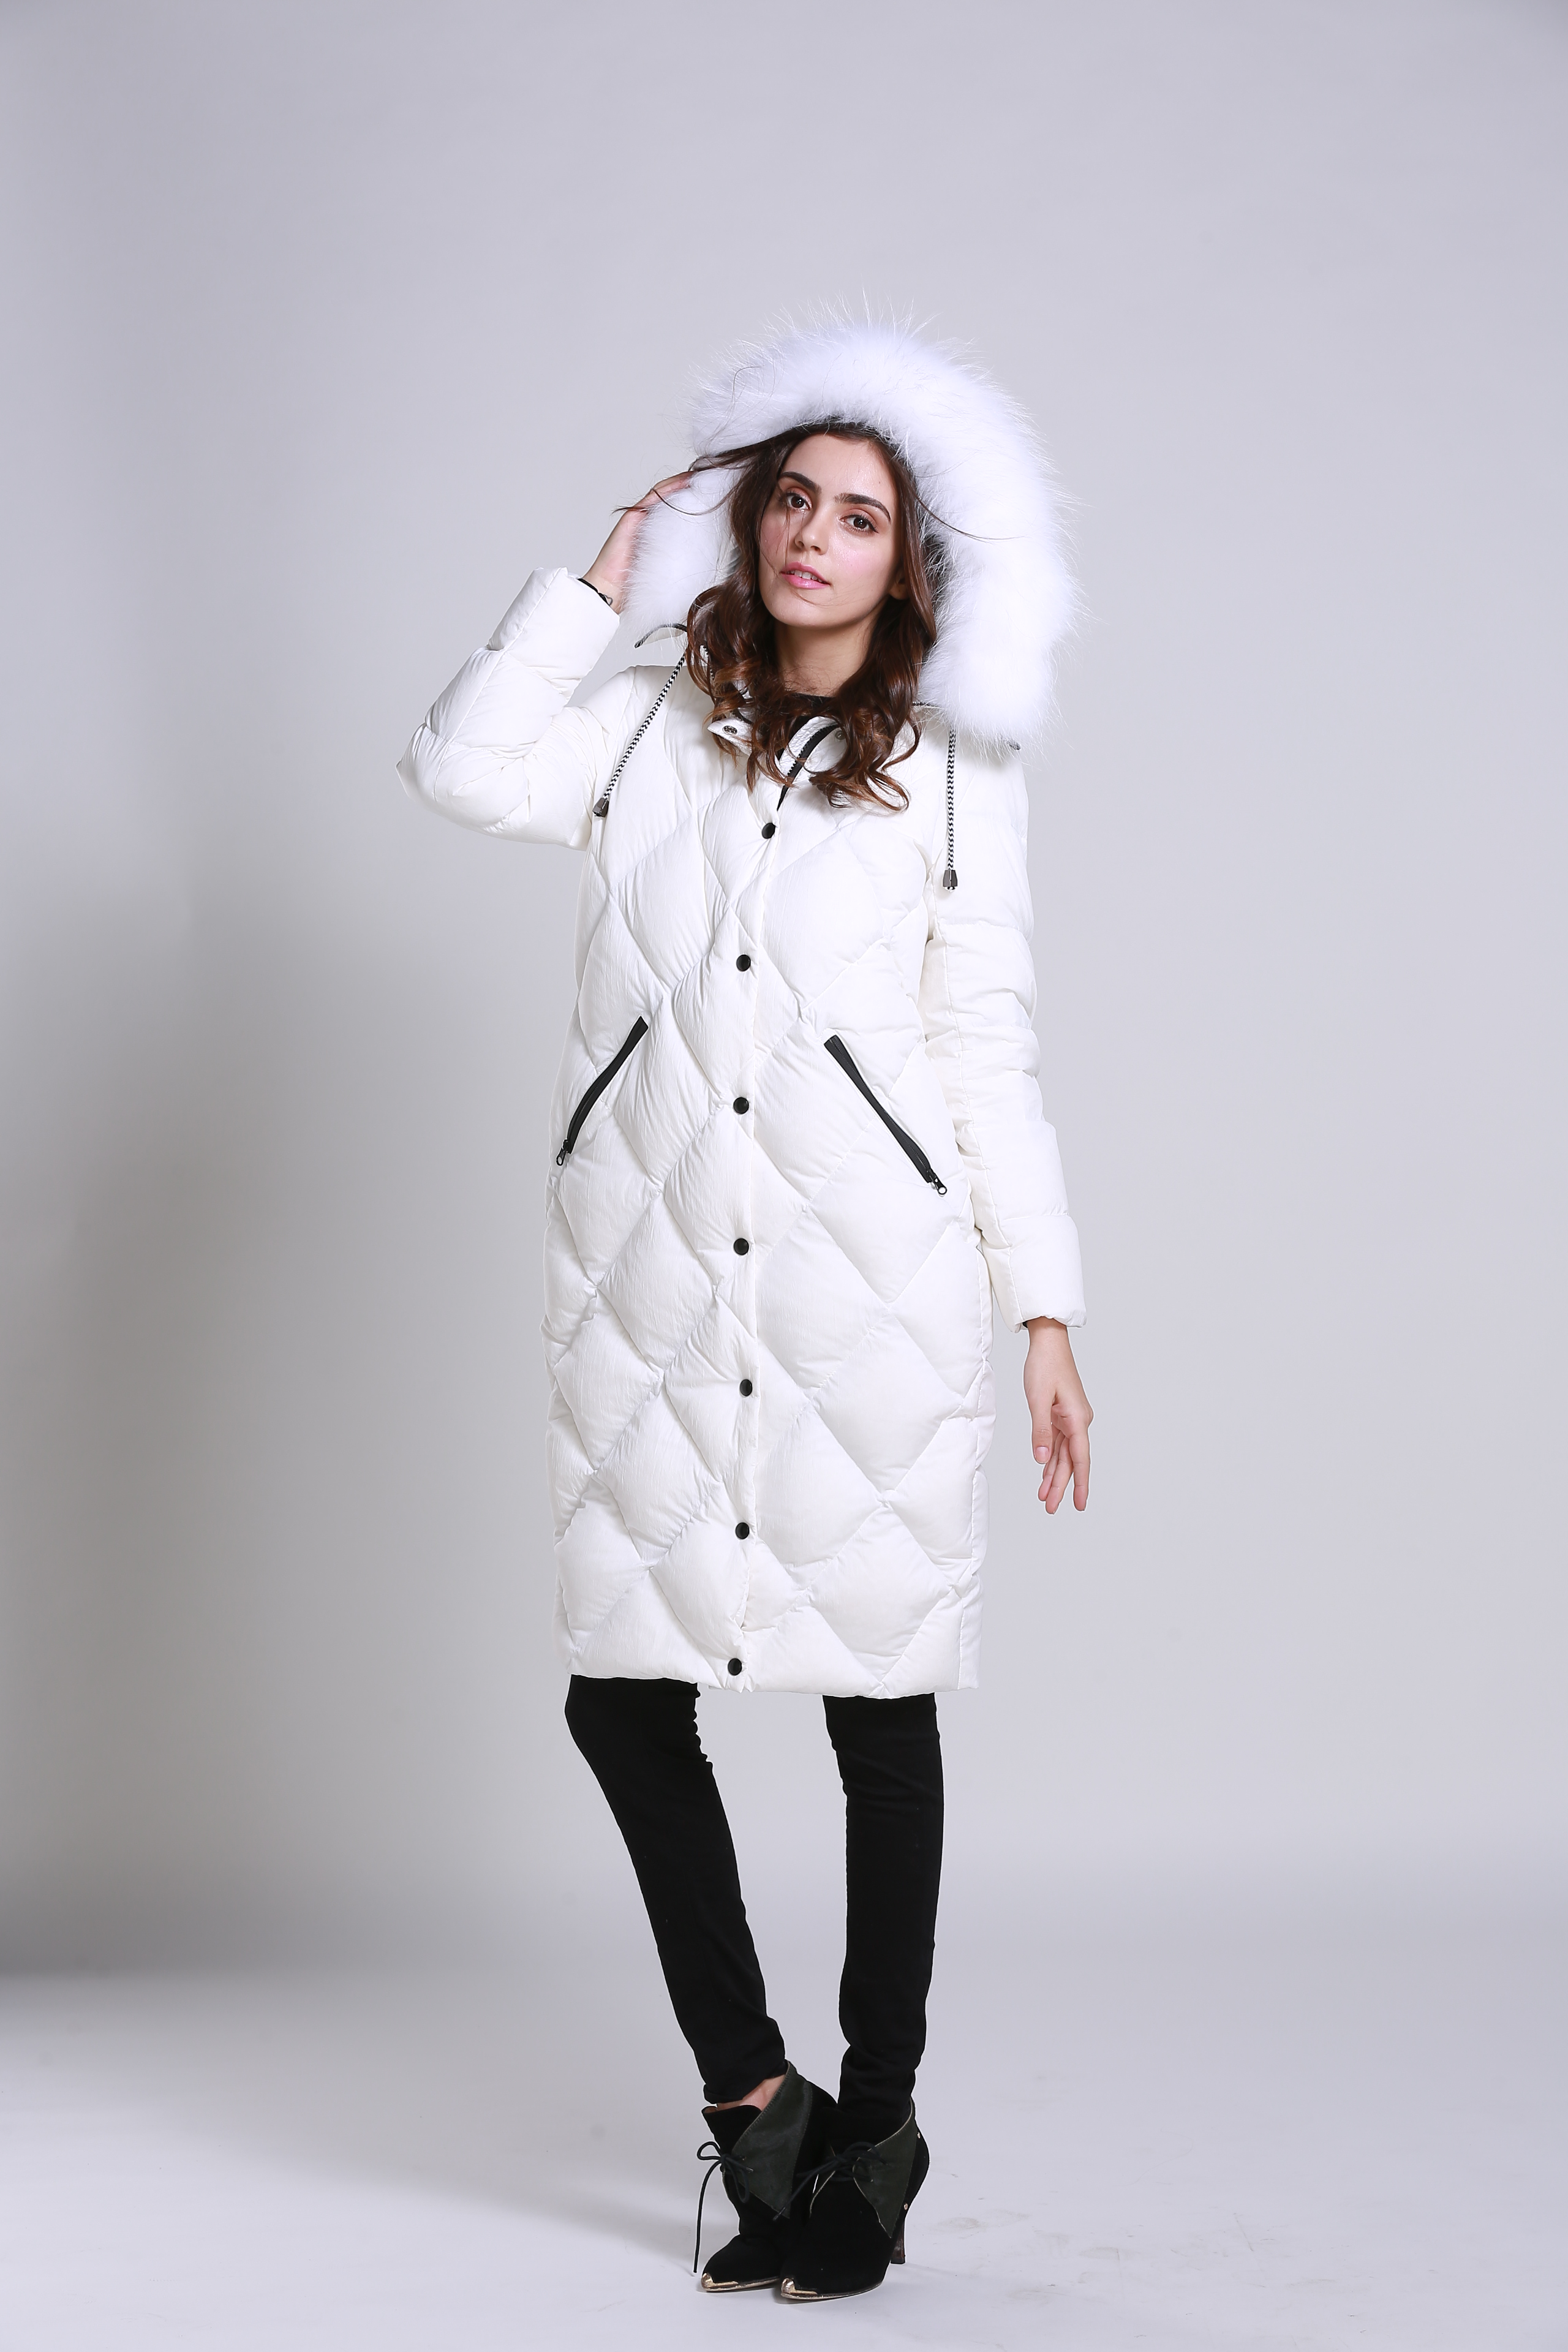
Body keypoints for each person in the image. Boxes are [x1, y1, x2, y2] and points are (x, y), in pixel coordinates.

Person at [398, 319, 1092, 2302]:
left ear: (908, 560)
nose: (811, 536)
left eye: (857, 516)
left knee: (881, 1700)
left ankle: (877, 2128)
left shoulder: (952, 763)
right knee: (623, 1698)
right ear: (747, 515)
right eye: (790, 497)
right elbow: (458, 768)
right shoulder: (644, 712)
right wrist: (598, 580)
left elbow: (984, 1041)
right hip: (650, 1269)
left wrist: (1044, 1306)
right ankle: (751, 2098)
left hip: (876, 1274)